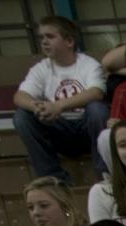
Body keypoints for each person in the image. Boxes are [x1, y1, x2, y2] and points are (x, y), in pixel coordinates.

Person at [14, 13, 111, 182]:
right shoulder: (40, 68)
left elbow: (96, 92)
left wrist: (57, 106)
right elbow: (19, 96)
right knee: (22, 116)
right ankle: (52, 178)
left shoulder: (89, 64)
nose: (44, 41)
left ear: (69, 41)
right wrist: (36, 106)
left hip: (87, 130)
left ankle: (104, 174)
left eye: (50, 36)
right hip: (58, 130)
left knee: (98, 109)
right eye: (41, 37)